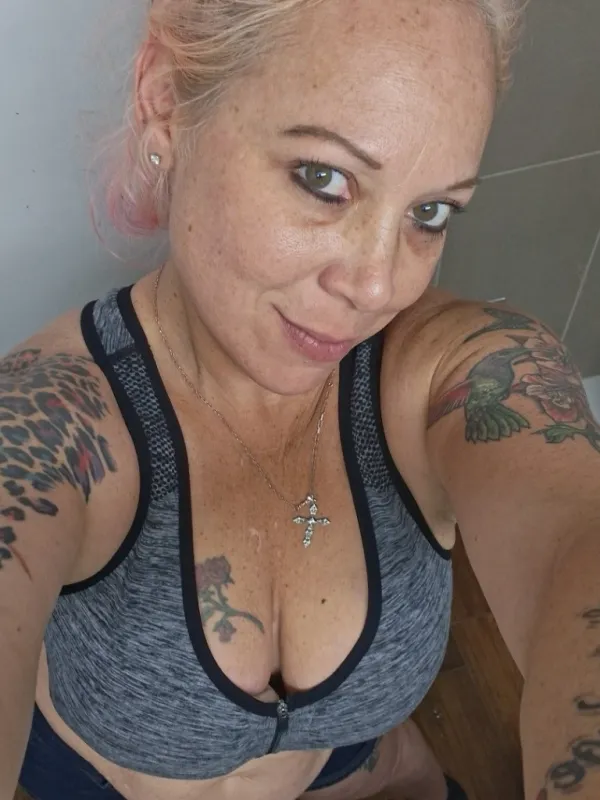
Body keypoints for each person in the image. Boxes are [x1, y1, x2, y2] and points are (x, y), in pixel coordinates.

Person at [2, 0, 599, 798]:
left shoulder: (457, 373)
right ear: (165, 102)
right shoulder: (52, 423)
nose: (379, 286)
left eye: (430, 213)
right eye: (324, 179)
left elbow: (576, 544)